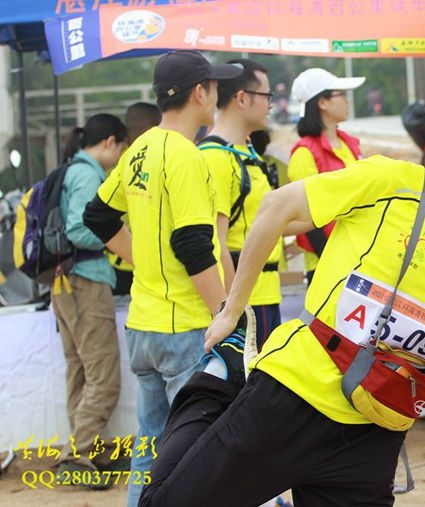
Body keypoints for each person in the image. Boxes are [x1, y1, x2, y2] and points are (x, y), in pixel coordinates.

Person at [134, 80, 425, 507]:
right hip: (295, 395)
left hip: (376, 426)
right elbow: (276, 208)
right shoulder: (393, 181)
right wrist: (232, 310)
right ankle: (214, 384)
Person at [82, 50, 243, 507]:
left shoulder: (140, 147)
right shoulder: (187, 156)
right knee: (196, 453)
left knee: (151, 447)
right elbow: (192, 245)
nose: (217, 94)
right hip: (183, 329)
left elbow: (98, 216)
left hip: (144, 327)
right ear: (200, 93)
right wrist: (225, 315)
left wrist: (145, 261)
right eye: (214, 86)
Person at [53, 113, 127, 485]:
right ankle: (78, 458)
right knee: (103, 374)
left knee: (81, 372)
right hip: (85, 282)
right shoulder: (87, 175)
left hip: (65, 283)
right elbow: (79, 229)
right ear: (111, 142)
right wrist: (120, 239)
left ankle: (87, 452)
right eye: (122, 148)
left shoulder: (71, 169)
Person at [200, 58, 283, 349]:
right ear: (242, 98)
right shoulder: (214, 157)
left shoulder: (246, 152)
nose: (271, 105)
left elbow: (269, 219)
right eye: (267, 96)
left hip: (265, 294)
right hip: (246, 303)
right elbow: (216, 241)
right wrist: (233, 309)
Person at [287, 67, 365, 285]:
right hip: (326, 265)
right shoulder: (304, 154)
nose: (347, 101)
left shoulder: (349, 144)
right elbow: (309, 217)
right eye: (341, 95)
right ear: (322, 102)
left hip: (357, 258)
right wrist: (331, 260)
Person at [109, 102, 163, 296]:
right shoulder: (150, 158)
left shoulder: (117, 160)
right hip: (140, 262)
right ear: (152, 127)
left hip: (119, 259)